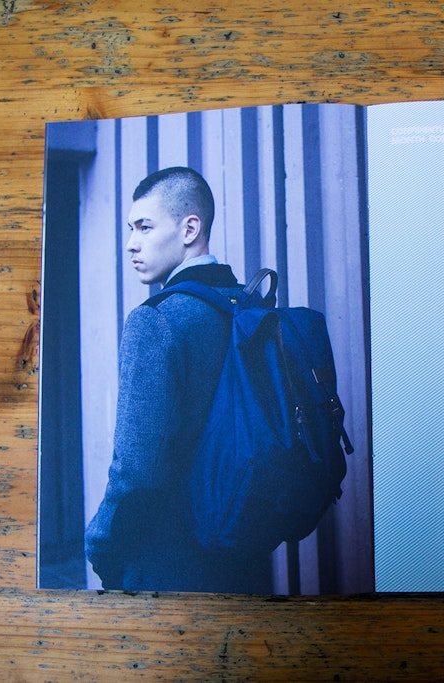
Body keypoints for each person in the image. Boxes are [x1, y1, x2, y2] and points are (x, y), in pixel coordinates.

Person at [84, 167, 274, 593]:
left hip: (167, 566)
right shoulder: (249, 308)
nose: (131, 243)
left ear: (190, 229)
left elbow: (138, 470)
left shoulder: (155, 321)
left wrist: (100, 543)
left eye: (145, 227)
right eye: (130, 229)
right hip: (245, 554)